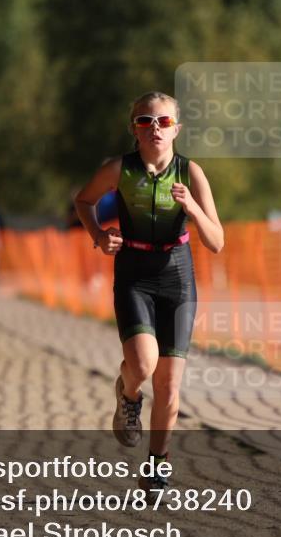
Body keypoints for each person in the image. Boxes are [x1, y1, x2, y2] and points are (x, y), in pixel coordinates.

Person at [73, 91, 224, 497]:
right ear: (134, 129)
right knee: (142, 365)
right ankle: (127, 394)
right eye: (145, 121)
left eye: (162, 121)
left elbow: (217, 241)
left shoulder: (190, 172)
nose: (154, 128)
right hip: (135, 274)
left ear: (176, 128)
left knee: (170, 386)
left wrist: (192, 207)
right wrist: (99, 237)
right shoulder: (119, 169)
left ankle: (157, 468)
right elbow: (84, 201)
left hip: (177, 276)